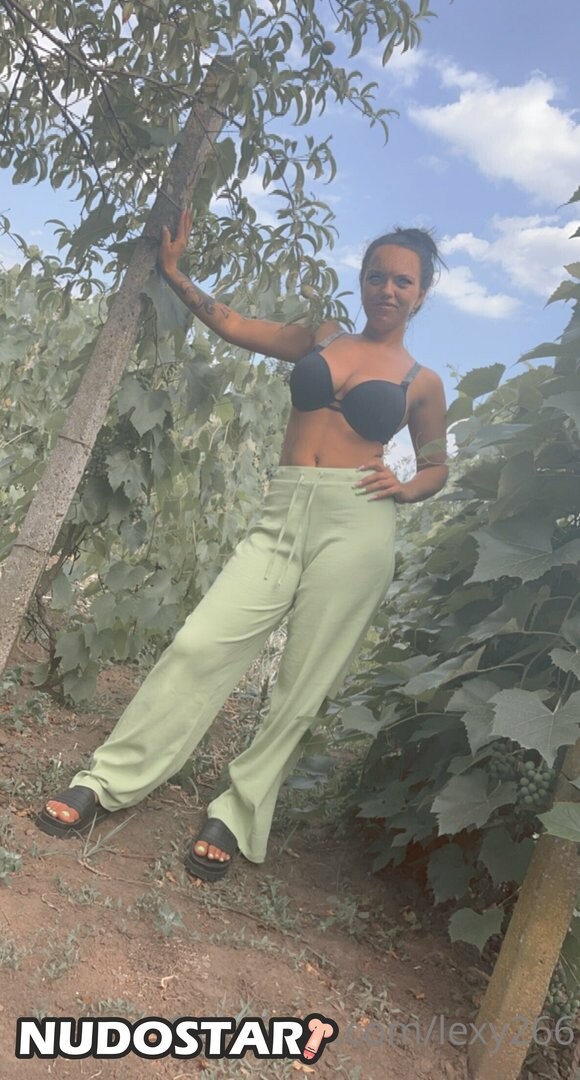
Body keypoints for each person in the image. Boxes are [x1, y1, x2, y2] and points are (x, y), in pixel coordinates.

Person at [35, 208, 448, 880]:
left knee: (301, 684)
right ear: (362, 279)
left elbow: (436, 466)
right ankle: (109, 780)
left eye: (403, 281)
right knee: (200, 643)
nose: (388, 289)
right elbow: (232, 323)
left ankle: (238, 811)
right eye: (377, 275)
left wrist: (406, 488)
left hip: (358, 524)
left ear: (421, 294)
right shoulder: (322, 336)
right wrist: (175, 272)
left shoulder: (422, 382)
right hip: (282, 511)